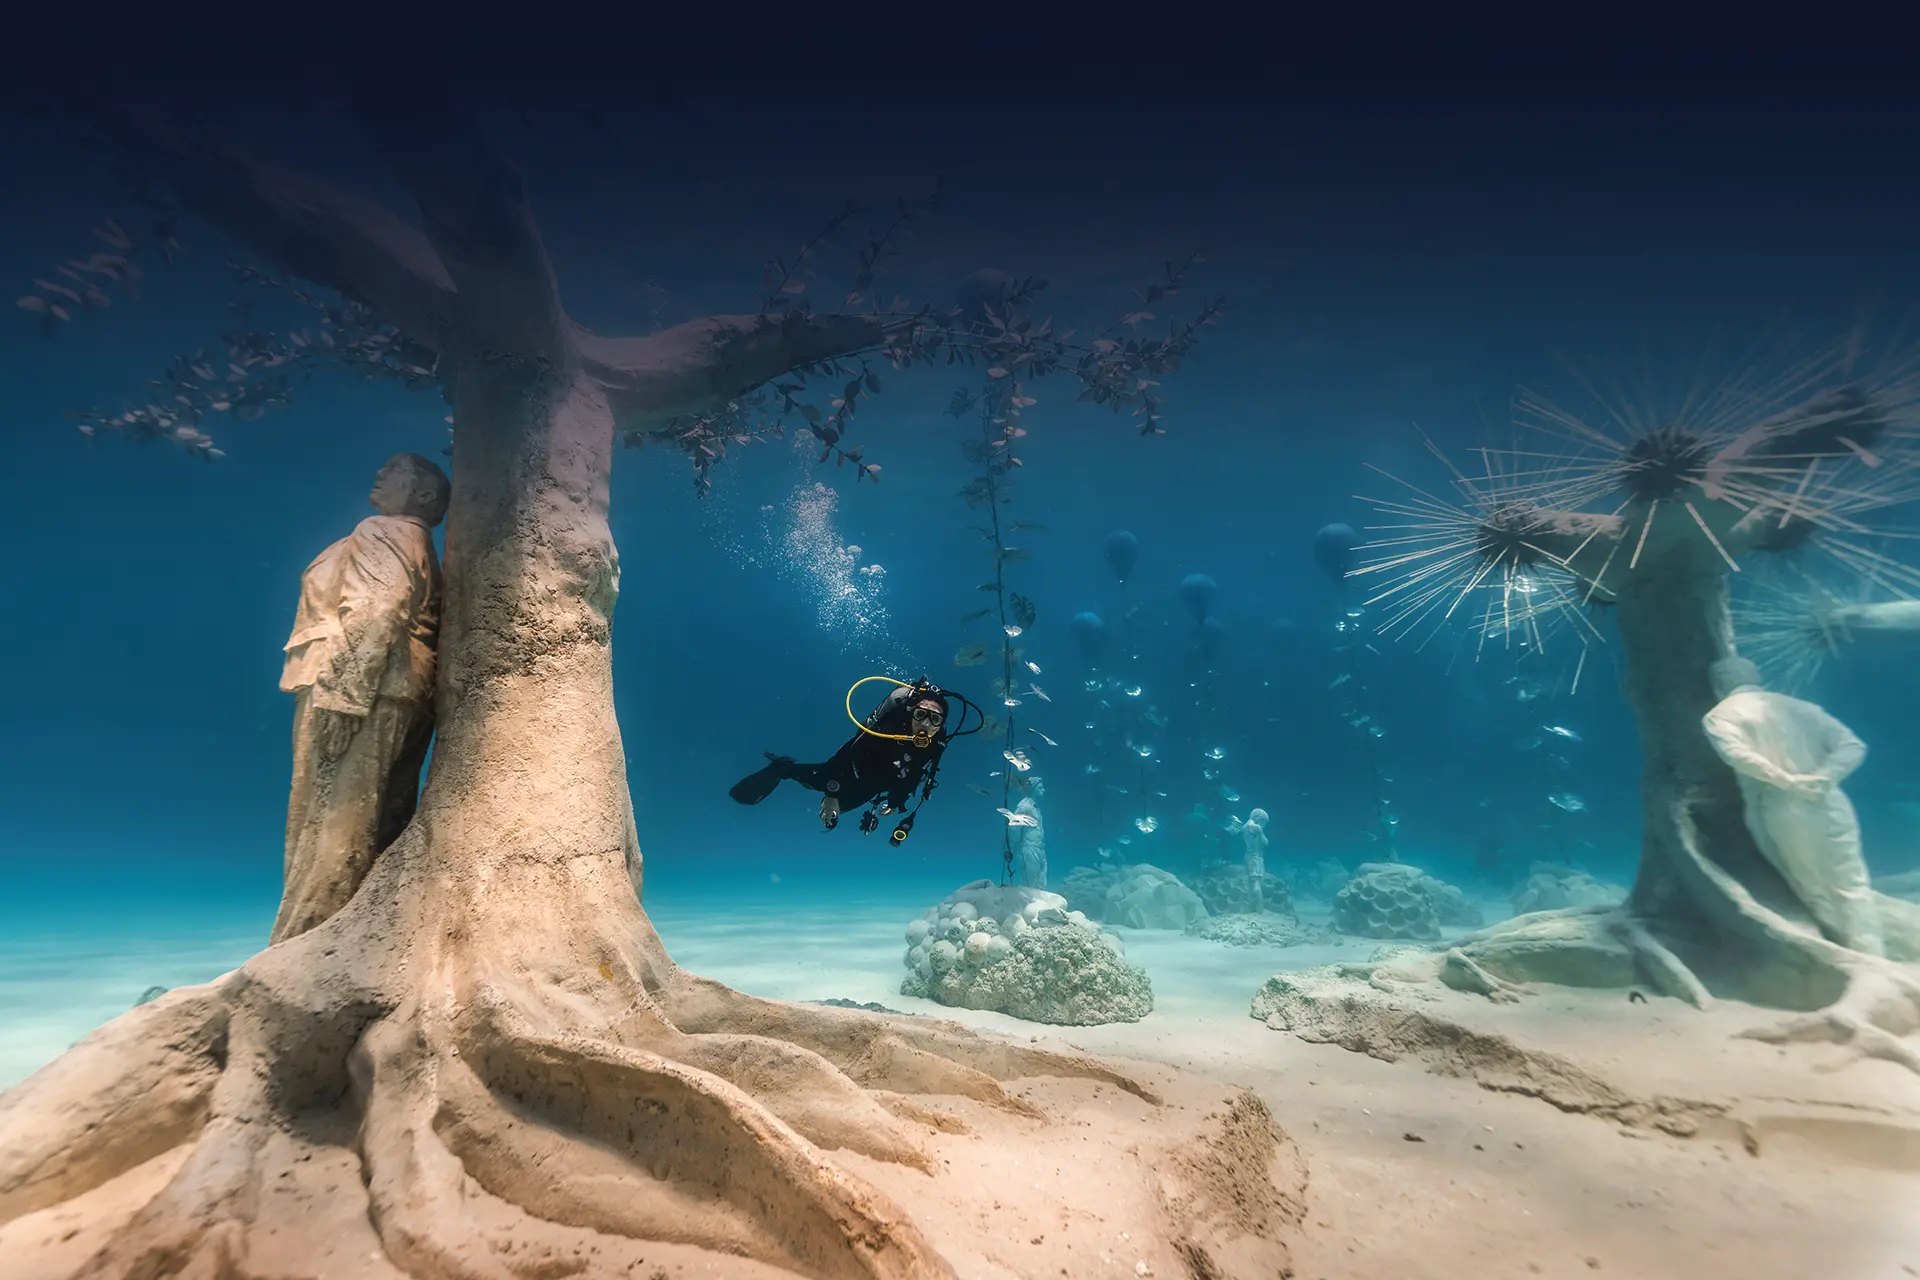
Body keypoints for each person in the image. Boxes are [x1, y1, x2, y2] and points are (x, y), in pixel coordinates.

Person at [275, 453, 449, 943]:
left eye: (394, 469)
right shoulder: (414, 540)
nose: (379, 474)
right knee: (373, 820)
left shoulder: (385, 530)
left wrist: (343, 697)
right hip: (396, 690)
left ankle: (303, 950)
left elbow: (377, 606)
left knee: (328, 825)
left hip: (361, 690)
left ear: (423, 496)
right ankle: (366, 940)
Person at [1701, 655, 1883, 957]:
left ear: (1717, 686)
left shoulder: (1720, 716)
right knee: (1852, 883)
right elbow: (1853, 745)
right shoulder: (1800, 707)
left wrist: (1787, 780)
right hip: (1831, 801)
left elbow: (1739, 756)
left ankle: (1843, 958)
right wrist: (1823, 777)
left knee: (1810, 886)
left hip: (1781, 806)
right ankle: (1874, 957)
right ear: (1756, 677)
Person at [730, 680, 958, 838]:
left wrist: (896, 801)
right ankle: (780, 768)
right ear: (910, 713)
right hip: (846, 770)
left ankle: (831, 798)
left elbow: (916, 774)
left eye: (934, 719)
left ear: (941, 725)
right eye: (920, 714)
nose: (925, 724)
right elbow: (846, 754)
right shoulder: (886, 729)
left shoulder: (935, 745)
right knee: (814, 784)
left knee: (835, 815)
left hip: (873, 786)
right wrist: (831, 792)